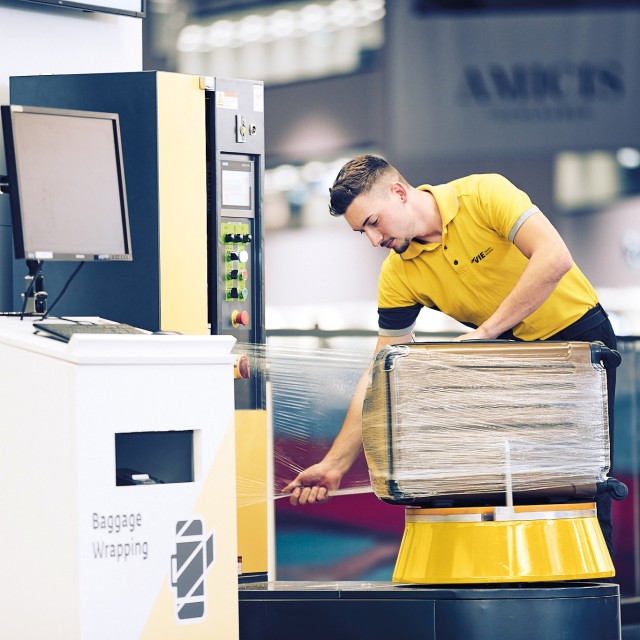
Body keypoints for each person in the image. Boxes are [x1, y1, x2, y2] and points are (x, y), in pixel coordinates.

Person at [283, 154, 618, 552]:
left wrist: (487, 332)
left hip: (581, 344)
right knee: (519, 485)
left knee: (581, 482)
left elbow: (554, 258)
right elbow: (380, 375)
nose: (374, 240)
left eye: (373, 223)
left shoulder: (483, 194)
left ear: (398, 192)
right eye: (362, 233)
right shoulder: (398, 274)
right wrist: (335, 464)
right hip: (513, 361)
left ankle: (596, 596)